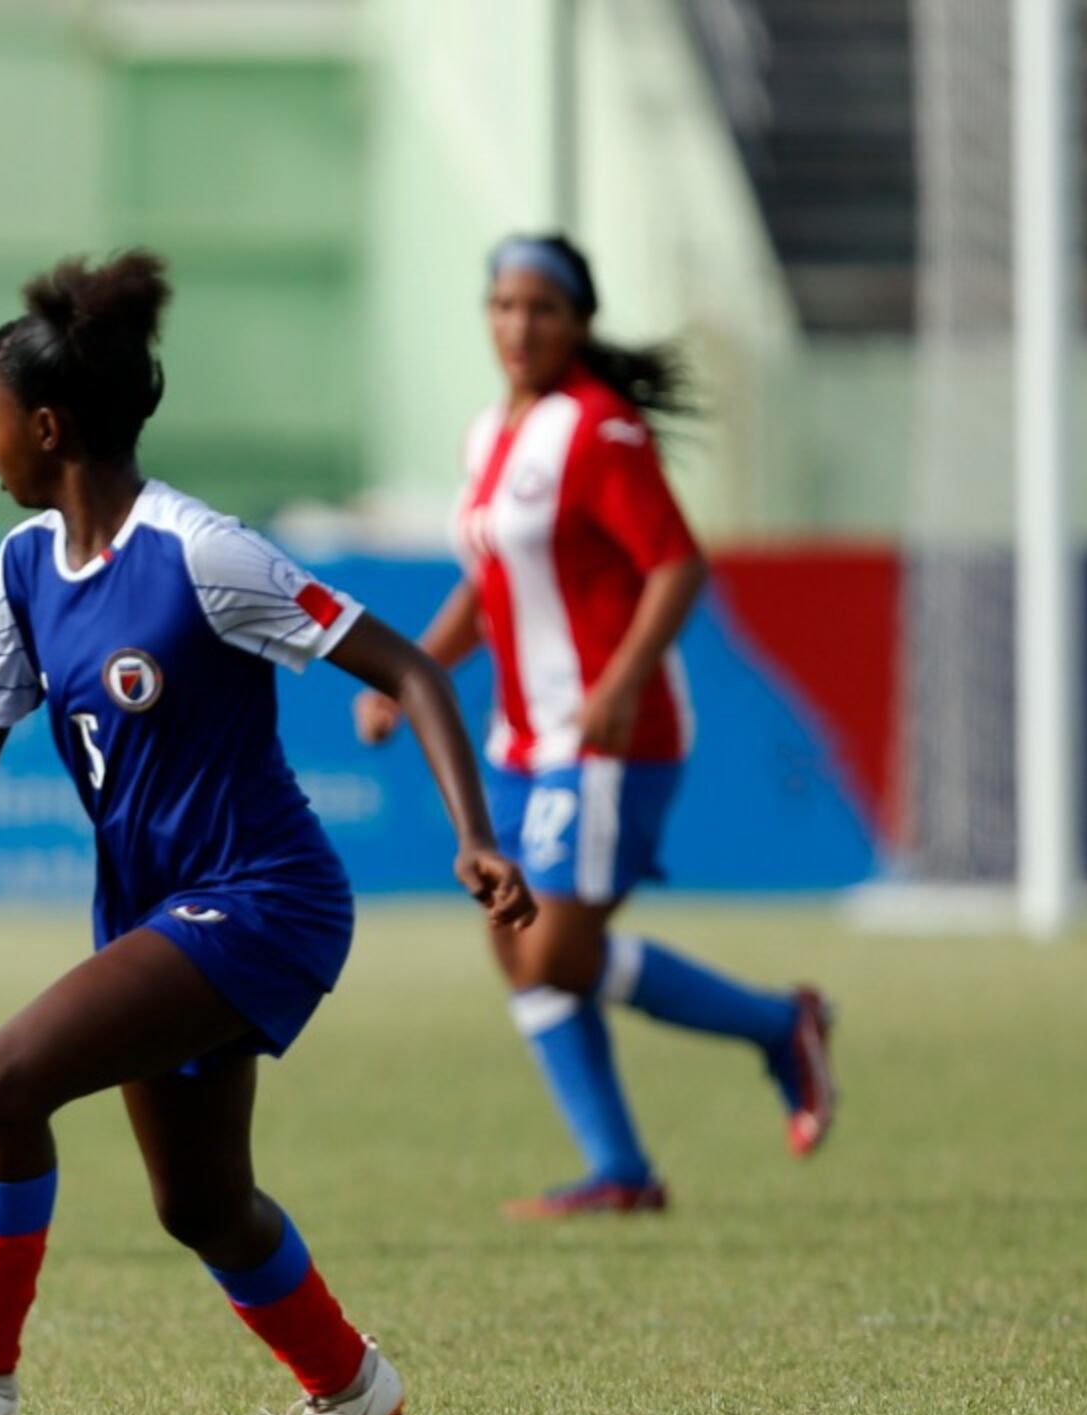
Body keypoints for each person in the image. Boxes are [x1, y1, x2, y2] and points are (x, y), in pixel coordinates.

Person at [0, 251, 534, 1415]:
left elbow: (409, 668)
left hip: (264, 897)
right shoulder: (26, 566)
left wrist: (474, 833)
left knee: (0, 1082)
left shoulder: (203, 554)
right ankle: (348, 1383)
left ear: (46, 426)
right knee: (199, 1200)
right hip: (156, 911)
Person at [354, 234, 837, 1219]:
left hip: (609, 740)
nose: (518, 325)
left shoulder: (600, 429)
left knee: (555, 952)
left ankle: (779, 1024)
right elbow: (491, 588)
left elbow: (676, 563)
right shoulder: (491, 433)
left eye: (540, 307)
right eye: (502, 305)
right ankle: (618, 1168)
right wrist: (411, 676)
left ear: (577, 322)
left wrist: (619, 680)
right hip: (525, 740)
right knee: (517, 942)